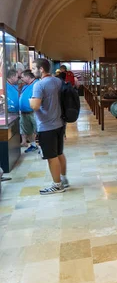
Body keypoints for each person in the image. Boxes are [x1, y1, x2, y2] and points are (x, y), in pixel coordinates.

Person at [30, 58, 69, 194]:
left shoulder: (39, 85)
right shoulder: (57, 81)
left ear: (41, 69)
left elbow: (35, 106)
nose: (32, 71)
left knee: (51, 157)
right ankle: (63, 179)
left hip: (47, 126)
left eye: (34, 68)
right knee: (59, 153)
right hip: (59, 123)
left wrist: (30, 101)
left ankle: (57, 185)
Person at [19, 70, 39, 153]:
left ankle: (43, 147)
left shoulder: (37, 84)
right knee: (28, 131)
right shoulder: (25, 86)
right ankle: (33, 145)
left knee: (38, 130)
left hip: (34, 112)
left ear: (28, 77)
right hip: (24, 113)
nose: (21, 79)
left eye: (22, 77)